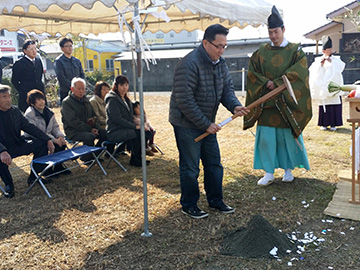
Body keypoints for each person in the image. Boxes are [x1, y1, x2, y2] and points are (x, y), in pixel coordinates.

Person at [169, 24, 249, 219]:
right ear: (205, 43)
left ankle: (215, 200)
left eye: (224, 46)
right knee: (190, 167)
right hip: (186, 123)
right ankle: (189, 204)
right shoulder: (189, 64)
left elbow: (226, 90)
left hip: (207, 123)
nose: (221, 50)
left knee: (214, 164)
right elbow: (184, 100)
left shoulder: (220, 63)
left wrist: (235, 106)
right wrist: (206, 124)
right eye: (218, 46)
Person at [243, 5, 312, 187]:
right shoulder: (261, 53)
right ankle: (268, 172)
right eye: (270, 32)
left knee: (286, 138)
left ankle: (288, 170)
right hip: (267, 104)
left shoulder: (296, 51)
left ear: (283, 30)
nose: (273, 36)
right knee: (267, 139)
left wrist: (281, 83)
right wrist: (266, 83)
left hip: (286, 103)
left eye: (276, 31)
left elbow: (300, 72)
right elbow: (252, 73)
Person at [0, 84, 54, 198]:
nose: (8, 99)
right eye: (4, 97)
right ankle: (9, 185)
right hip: (2, 148)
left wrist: (47, 139)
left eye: (9, 96)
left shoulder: (15, 111)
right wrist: (2, 151)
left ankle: (34, 177)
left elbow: (29, 127)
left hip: (17, 143)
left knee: (41, 144)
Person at [105, 75, 150, 167]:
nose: (124, 88)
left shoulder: (126, 99)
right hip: (115, 131)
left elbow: (131, 117)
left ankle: (138, 157)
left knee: (147, 133)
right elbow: (118, 120)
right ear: (116, 86)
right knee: (136, 132)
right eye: (122, 85)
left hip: (126, 128)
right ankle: (135, 159)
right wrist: (135, 126)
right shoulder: (112, 100)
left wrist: (141, 125)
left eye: (126, 85)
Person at [24, 89, 69, 175]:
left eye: (42, 99)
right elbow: (37, 132)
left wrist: (60, 137)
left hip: (48, 136)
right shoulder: (29, 114)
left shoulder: (49, 112)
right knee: (44, 145)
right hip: (34, 138)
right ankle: (46, 170)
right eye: (38, 100)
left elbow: (55, 127)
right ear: (32, 103)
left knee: (61, 144)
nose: (41, 102)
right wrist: (53, 139)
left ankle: (58, 167)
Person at [61, 77, 107, 161]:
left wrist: (95, 127)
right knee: (89, 137)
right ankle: (87, 158)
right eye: (79, 89)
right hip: (73, 131)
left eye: (83, 89)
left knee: (105, 134)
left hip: (89, 128)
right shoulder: (67, 103)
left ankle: (94, 155)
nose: (81, 91)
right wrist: (90, 129)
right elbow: (73, 122)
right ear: (72, 89)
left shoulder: (86, 100)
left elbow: (94, 115)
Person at [309, 36, 345, 131]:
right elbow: (313, 72)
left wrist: (332, 63)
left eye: (330, 49)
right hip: (324, 87)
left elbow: (340, 68)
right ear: (323, 50)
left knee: (334, 105)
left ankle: (334, 124)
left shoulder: (336, 59)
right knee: (324, 104)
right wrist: (320, 65)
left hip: (333, 86)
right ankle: (324, 123)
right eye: (327, 49)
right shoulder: (318, 60)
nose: (329, 51)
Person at [11, 39, 46, 112]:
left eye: (35, 48)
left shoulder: (38, 61)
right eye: (31, 49)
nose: (34, 51)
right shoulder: (19, 63)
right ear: (25, 51)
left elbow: (40, 75)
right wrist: (22, 90)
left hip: (39, 92)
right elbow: (14, 80)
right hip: (26, 94)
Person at [55, 37, 85, 103]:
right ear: (62, 48)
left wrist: (80, 87)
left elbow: (82, 74)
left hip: (79, 92)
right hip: (66, 91)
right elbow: (61, 77)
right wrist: (73, 88)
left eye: (71, 46)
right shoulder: (59, 61)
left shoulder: (76, 61)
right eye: (67, 46)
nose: (70, 48)